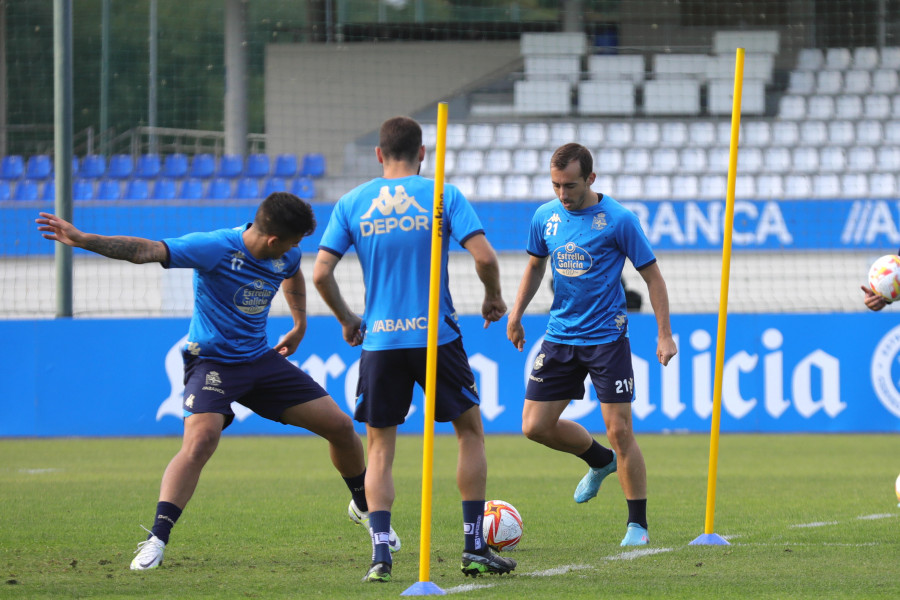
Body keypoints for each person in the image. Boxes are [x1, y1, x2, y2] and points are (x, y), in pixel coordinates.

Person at [36, 192, 397, 571]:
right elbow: (144, 250)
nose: (296, 249)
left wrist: (299, 324)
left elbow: (292, 274)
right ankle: (156, 538)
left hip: (260, 361)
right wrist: (82, 240)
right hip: (212, 364)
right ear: (273, 241)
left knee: (341, 427)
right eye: (293, 242)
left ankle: (363, 507)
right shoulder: (212, 248)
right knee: (201, 440)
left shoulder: (286, 255)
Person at [312, 116, 516, 582]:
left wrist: (348, 319)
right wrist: (492, 297)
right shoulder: (442, 194)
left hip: (381, 339)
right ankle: (473, 546)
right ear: (422, 154)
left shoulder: (352, 203)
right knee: (469, 431)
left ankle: (381, 553)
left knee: (380, 447)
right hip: (436, 336)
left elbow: (320, 273)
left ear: (380, 155)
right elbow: (484, 256)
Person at [506, 143, 677, 547]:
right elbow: (534, 266)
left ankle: (637, 525)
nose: (562, 194)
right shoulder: (544, 217)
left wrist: (664, 333)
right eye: (556, 185)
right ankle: (599, 461)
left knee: (620, 429)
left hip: (606, 339)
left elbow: (653, 277)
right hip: (560, 336)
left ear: (591, 179)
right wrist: (515, 314)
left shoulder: (619, 220)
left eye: (570, 186)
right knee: (534, 426)